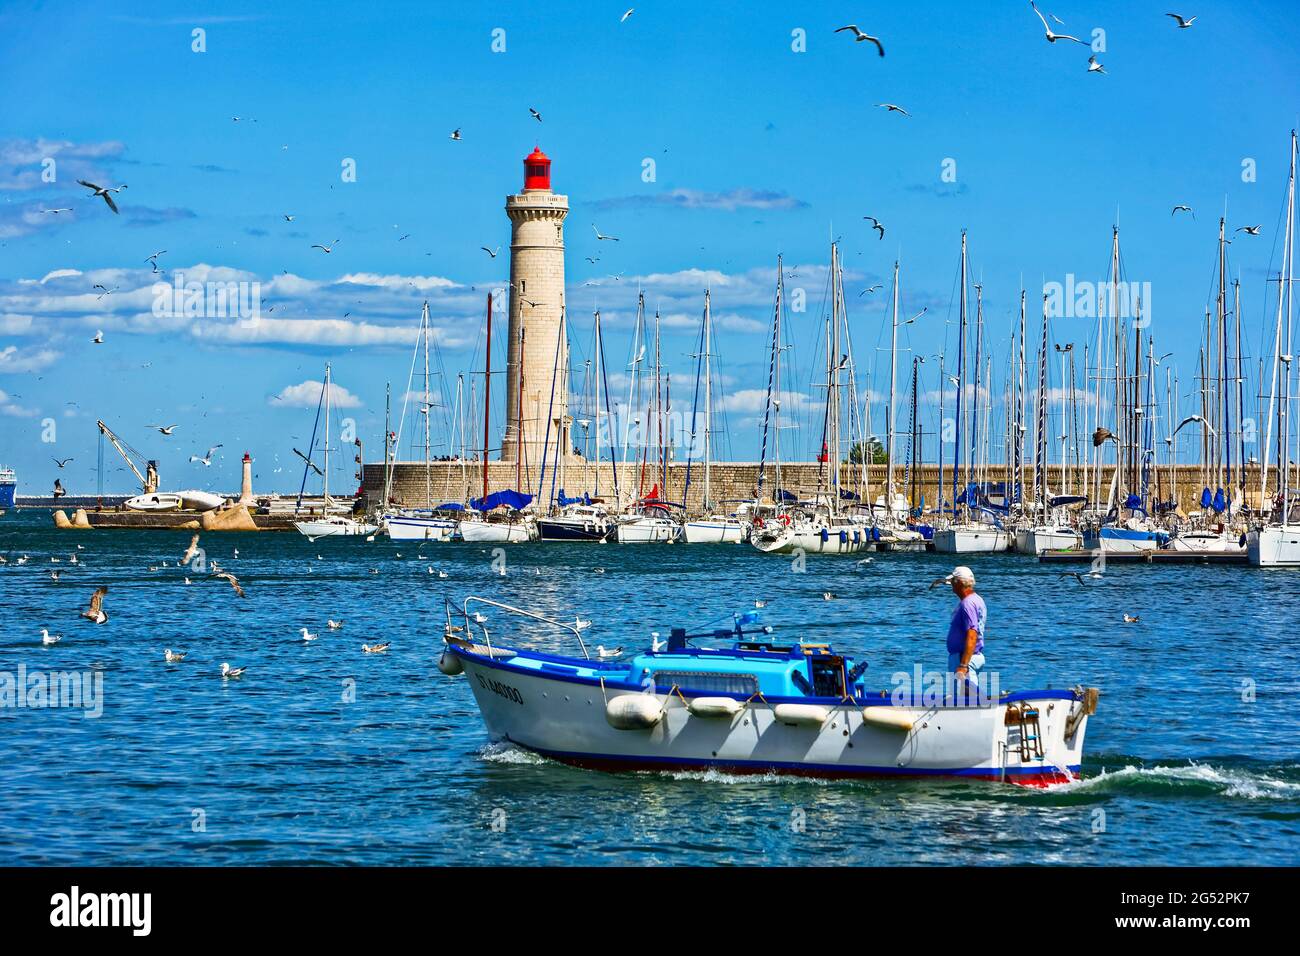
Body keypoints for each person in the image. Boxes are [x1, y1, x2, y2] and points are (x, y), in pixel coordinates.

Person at [943, 566, 985, 684]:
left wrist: (963, 665)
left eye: (953, 582)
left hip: (964, 659)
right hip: (972, 657)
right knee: (965, 698)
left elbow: (972, 633)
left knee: (966, 700)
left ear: (959, 583)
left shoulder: (968, 604)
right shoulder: (977, 599)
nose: (951, 585)